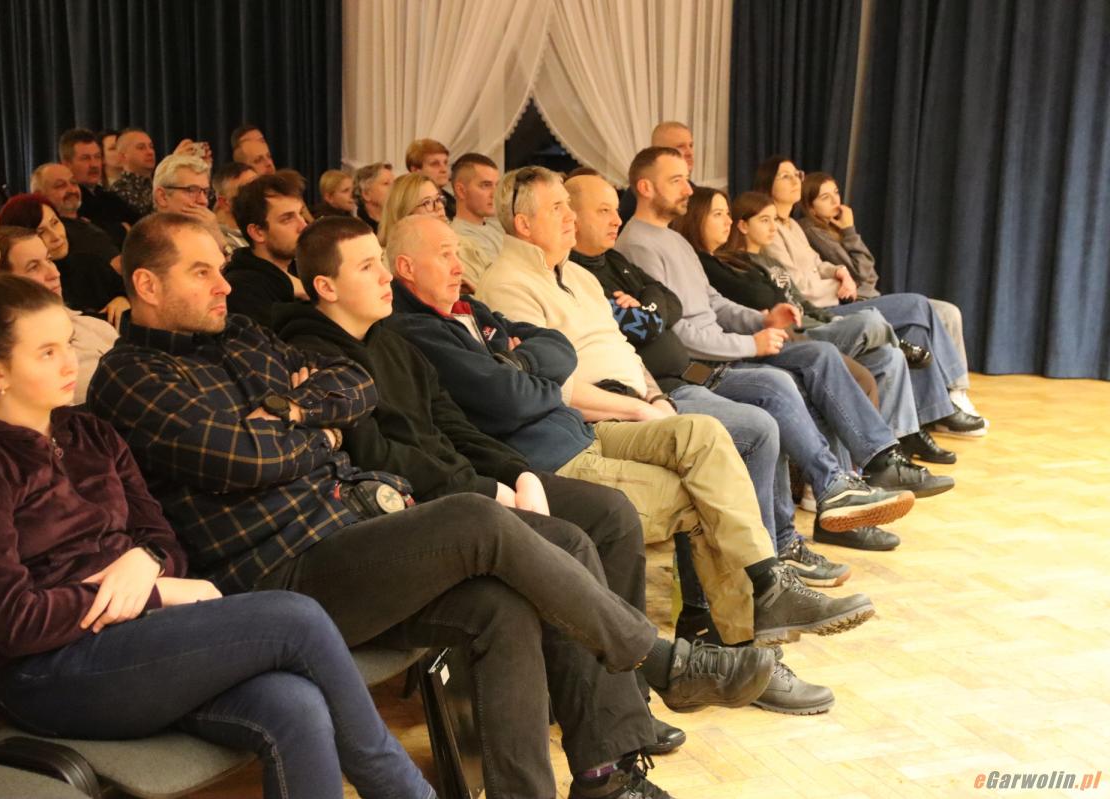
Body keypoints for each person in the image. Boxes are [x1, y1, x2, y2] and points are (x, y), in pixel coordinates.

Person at [87, 211, 778, 799]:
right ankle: (655, 658)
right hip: (277, 574)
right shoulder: (131, 376)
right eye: (201, 272)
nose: (223, 283)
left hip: (350, 530)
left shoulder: (241, 335)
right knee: (477, 519)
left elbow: (351, 385)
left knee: (503, 604)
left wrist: (292, 413)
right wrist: (315, 432)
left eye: (220, 267)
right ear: (146, 285)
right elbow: (244, 459)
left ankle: (588, 777)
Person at [0, 273, 437, 799]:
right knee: (296, 619)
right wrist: (153, 592)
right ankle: (407, 793)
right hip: (50, 672)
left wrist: (145, 560)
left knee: (294, 705)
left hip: (143, 642)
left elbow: (165, 542)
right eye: (46, 352)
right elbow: (13, 622)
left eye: (68, 344)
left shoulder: (90, 432)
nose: (69, 364)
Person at [274, 214, 688, 755]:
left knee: (610, 513)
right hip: (414, 510)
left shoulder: (392, 340)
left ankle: (625, 695)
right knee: (567, 542)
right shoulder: (316, 360)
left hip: (469, 484)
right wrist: (488, 489)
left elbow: (454, 425)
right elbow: (375, 457)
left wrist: (516, 473)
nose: (384, 277)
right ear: (326, 287)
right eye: (368, 266)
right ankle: (616, 726)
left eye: (382, 262)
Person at [476, 166, 879, 645]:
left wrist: (654, 397)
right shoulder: (507, 284)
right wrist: (639, 409)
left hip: (640, 400)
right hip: (594, 417)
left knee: (720, 435)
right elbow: (551, 386)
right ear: (524, 223)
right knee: (729, 435)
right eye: (558, 208)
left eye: (569, 206)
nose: (570, 218)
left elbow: (627, 350)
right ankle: (738, 608)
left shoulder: (579, 276)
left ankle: (755, 602)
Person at [567, 172, 917, 557]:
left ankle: (842, 484)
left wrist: (760, 320)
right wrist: (747, 339)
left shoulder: (623, 256)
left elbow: (673, 303)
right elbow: (654, 324)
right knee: (788, 392)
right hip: (682, 376)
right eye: (604, 211)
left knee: (808, 372)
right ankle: (791, 536)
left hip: (699, 368)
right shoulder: (626, 249)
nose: (616, 219)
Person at [615, 148, 953, 501]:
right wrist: (751, 344)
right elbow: (677, 333)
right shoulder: (638, 245)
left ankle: (878, 462)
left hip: (725, 348)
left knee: (822, 355)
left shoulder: (673, 238)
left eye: (686, 179)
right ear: (646, 187)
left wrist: (762, 318)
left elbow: (713, 302)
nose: (688, 188)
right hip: (703, 364)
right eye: (676, 181)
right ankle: (838, 486)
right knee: (802, 376)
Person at [698, 189, 958, 466]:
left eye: (774, 220)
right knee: (876, 317)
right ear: (743, 225)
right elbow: (758, 304)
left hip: (817, 318)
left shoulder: (765, 261)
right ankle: (903, 356)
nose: (773, 227)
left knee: (889, 356)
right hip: (795, 332)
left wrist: (840, 266)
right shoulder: (723, 264)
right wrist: (829, 290)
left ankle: (895, 446)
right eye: (764, 220)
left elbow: (841, 283)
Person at [754, 156, 986, 437]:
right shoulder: (775, 231)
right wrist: (841, 282)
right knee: (918, 304)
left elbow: (822, 265)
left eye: (797, 174)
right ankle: (953, 393)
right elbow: (800, 287)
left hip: (843, 300)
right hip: (825, 310)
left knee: (917, 328)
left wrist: (839, 271)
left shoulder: (791, 226)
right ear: (768, 185)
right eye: (785, 176)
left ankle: (931, 415)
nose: (795, 181)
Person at [0, 226, 118, 404]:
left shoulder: (94, 326)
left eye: (49, 260)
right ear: (3, 283)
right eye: (33, 267)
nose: (54, 273)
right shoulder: (14, 356)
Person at [0, 194, 129, 327]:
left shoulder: (90, 263)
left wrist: (124, 299)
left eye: (55, 222)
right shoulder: (35, 288)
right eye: (41, 232)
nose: (56, 236)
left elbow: (127, 290)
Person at [224, 172, 311, 328]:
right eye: (287, 219)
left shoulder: (304, 269)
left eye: (301, 213)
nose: (303, 225)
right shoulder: (240, 290)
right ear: (258, 232)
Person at [31, 162, 122, 268]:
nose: (72, 190)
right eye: (60, 185)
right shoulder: (57, 237)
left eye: (73, 183)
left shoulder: (89, 220)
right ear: (39, 195)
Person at [59, 127, 139, 248]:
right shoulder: (67, 201)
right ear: (66, 164)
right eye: (85, 158)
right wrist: (122, 229)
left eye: (97, 157)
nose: (94, 164)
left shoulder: (109, 197)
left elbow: (139, 227)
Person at [449, 152, 505, 286]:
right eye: (485, 185)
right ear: (461, 191)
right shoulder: (457, 240)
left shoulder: (499, 227)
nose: (495, 193)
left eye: (497, 185)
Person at [212, 161, 258, 255]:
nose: (258, 195)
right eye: (247, 191)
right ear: (225, 203)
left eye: (259, 186)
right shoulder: (218, 243)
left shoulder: (271, 231)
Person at [110, 128, 158, 216]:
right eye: (141, 148)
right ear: (123, 156)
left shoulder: (156, 183)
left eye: (151, 147)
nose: (150, 152)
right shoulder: (119, 190)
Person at [406, 138, 455, 219]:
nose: (444, 169)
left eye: (445, 163)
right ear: (415, 170)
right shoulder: (410, 205)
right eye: (435, 164)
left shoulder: (451, 201)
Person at [353, 161, 393, 232]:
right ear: (366, 194)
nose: (394, 187)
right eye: (386, 183)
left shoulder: (400, 223)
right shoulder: (355, 231)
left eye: (394, 183)